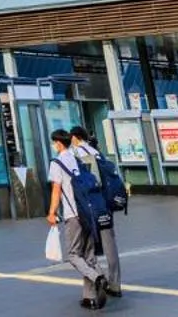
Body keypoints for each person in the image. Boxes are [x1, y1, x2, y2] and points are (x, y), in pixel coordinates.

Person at [47, 130, 109, 309]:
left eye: (54, 143)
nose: (53, 145)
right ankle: (89, 298)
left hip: (72, 214)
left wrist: (52, 212)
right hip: (87, 212)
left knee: (73, 255)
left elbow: (56, 190)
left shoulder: (57, 163)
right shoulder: (76, 159)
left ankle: (98, 277)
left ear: (58, 143)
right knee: (88, 255)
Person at [70, 125, 121, 299]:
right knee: (109, 245)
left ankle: (98, 280)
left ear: (75, 138)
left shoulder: (81, 153)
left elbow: (91, 182)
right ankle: (115, 284)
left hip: (94, 205)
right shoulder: (96, 151)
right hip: (107, 204)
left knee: (88, 246)